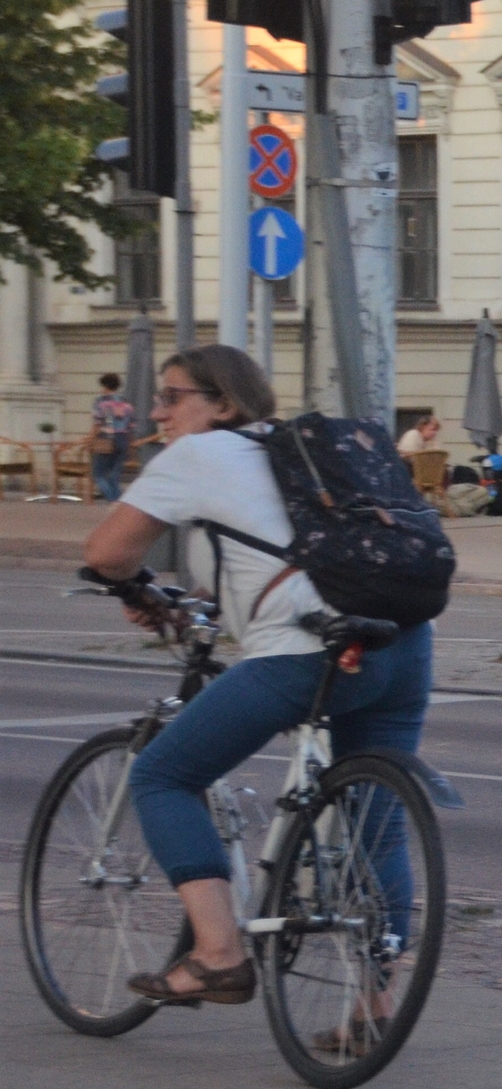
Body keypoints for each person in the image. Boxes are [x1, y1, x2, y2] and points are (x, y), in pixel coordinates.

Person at [78, 345, 434, 1011]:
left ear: (223, 404)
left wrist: (128, 585)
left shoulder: (195, 456)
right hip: (404, 641)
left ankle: (217, 956)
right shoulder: (303, 451)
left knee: (162, 775)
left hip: (305, 649)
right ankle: (374, 1005)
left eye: (172, 395)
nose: (157, 411)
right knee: (377, 827)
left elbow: (107, 551)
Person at [89, 373, 136, 503]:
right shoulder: (126, 402)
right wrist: (131, 443)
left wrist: (91, 439)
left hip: (106, 438)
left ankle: (115, 500)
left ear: (105, 386)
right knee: (115, 475)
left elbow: (97, 423)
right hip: (123, 439)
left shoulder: (101, 401)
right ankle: (121, 502)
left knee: (98, 474)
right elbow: (131, 425)